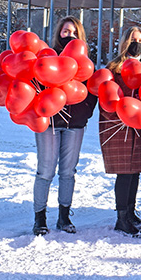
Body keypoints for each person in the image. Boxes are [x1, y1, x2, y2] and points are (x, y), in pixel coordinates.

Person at [32, 16, 98, 236]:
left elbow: (92, 93)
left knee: (68, 172)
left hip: (75, 124)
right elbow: (34, 87)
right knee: (45, 171)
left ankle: (64, 216)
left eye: (73, 32)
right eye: (65, 31)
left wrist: (84, 114)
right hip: (48, 123)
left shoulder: (85, 62)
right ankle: (40, 218)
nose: (69, 35)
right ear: (58, 34)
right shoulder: (45, 57)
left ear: (79, 36)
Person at [99, 26, 141, 237]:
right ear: (125, 42)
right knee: (124, 172)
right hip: (118, 127)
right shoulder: (113, 69)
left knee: (135, 171)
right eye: (134, 39)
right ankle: (121, 218)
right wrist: (119, 117)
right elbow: (105, 98)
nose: (137, 43)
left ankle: (130, 212)